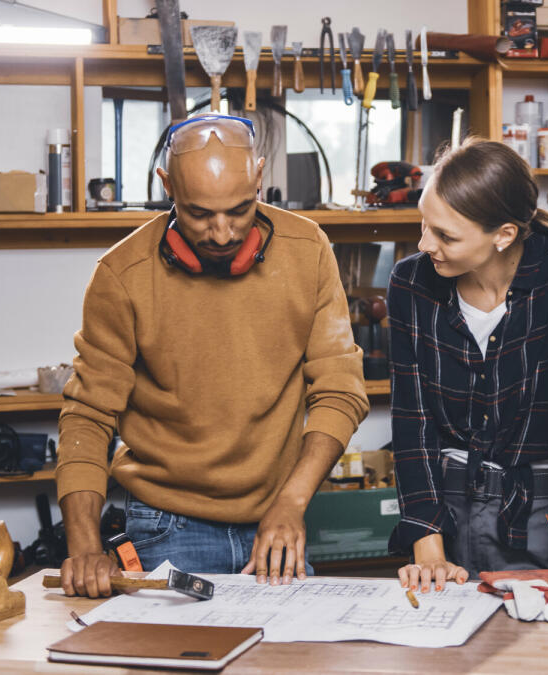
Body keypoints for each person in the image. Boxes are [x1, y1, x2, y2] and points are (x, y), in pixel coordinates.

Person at [56, 114, 368, 597]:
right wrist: (83, 546)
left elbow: (340, 388)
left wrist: (292, 501)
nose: (222, 234)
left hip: (278, 518)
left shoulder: (309, 250)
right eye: (199, 214)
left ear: (260, 177)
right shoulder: (121, 275)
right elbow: (88, 415)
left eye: (240, 210)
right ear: (166, 186)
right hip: (166, 527)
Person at [387, 139, 548, 638]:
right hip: (444, 505)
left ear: (504, 234)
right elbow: (412, 424)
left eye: (445, 236)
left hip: (544, 510)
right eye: (423, 224)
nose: (424, 245)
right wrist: (428, 549)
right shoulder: (411, 283)